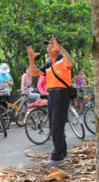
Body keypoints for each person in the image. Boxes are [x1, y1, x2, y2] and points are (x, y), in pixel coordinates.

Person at [27, 37, 75, 166]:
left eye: (51, 46)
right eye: (47, 47)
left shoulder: (63, 59)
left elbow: (71, 64)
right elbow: (35, 73)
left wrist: (62, 49)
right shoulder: (49, 65)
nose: (48, 49)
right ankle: (63, 152)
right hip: (52, 94)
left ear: (58, 48)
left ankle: (57, 157)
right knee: (55, 125)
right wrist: (31, 59)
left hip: (61, 94)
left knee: (55, 127)